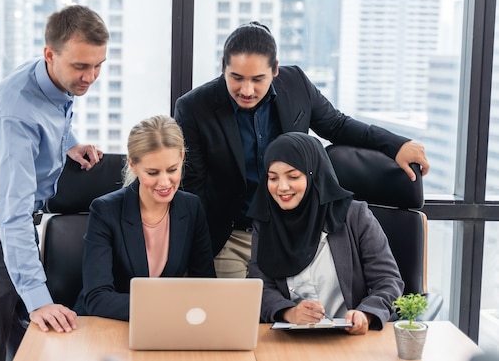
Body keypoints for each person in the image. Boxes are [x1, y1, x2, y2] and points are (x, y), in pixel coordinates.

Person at [174, 21, 430, 278]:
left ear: (275, 70)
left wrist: (395, 145)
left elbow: (338, 125)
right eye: (237, 78)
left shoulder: (295, 83)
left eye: (257, 79)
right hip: (233, 237)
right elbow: (193, 189)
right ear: (223, 68)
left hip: (292, 232)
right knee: (239, 314)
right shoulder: (194, 107)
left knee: (298, 314)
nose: (247, 90)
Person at [0, 5, 109, 361]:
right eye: (81, 66)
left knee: (22, 351)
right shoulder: (17, 114)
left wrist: (68, 144)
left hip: (8, 231)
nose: (91, 76)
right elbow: (13, 213)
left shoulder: (49, 78)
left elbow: (53, 114)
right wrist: (39, 299)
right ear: (50, 54)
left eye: (98, 64)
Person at [247, 132, 404, 334]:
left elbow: (388, 281)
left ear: (314, 174)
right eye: (273, 178)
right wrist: (289, 312)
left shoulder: (355, 216)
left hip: (351, 338)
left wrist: (366, 314)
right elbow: (260, 287)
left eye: (293, 176)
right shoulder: (266, 221)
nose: (282, 187)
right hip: (294, 340)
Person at [74, 115, 216, 321]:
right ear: (133, 165)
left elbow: (205, 285)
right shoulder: (106, 210)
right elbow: (97, 298)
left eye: (172, 170)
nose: (165, 182)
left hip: (166, 327)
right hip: (108, 325)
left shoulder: (191, 207)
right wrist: (164, 308)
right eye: (153, 172)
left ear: (182, 158)